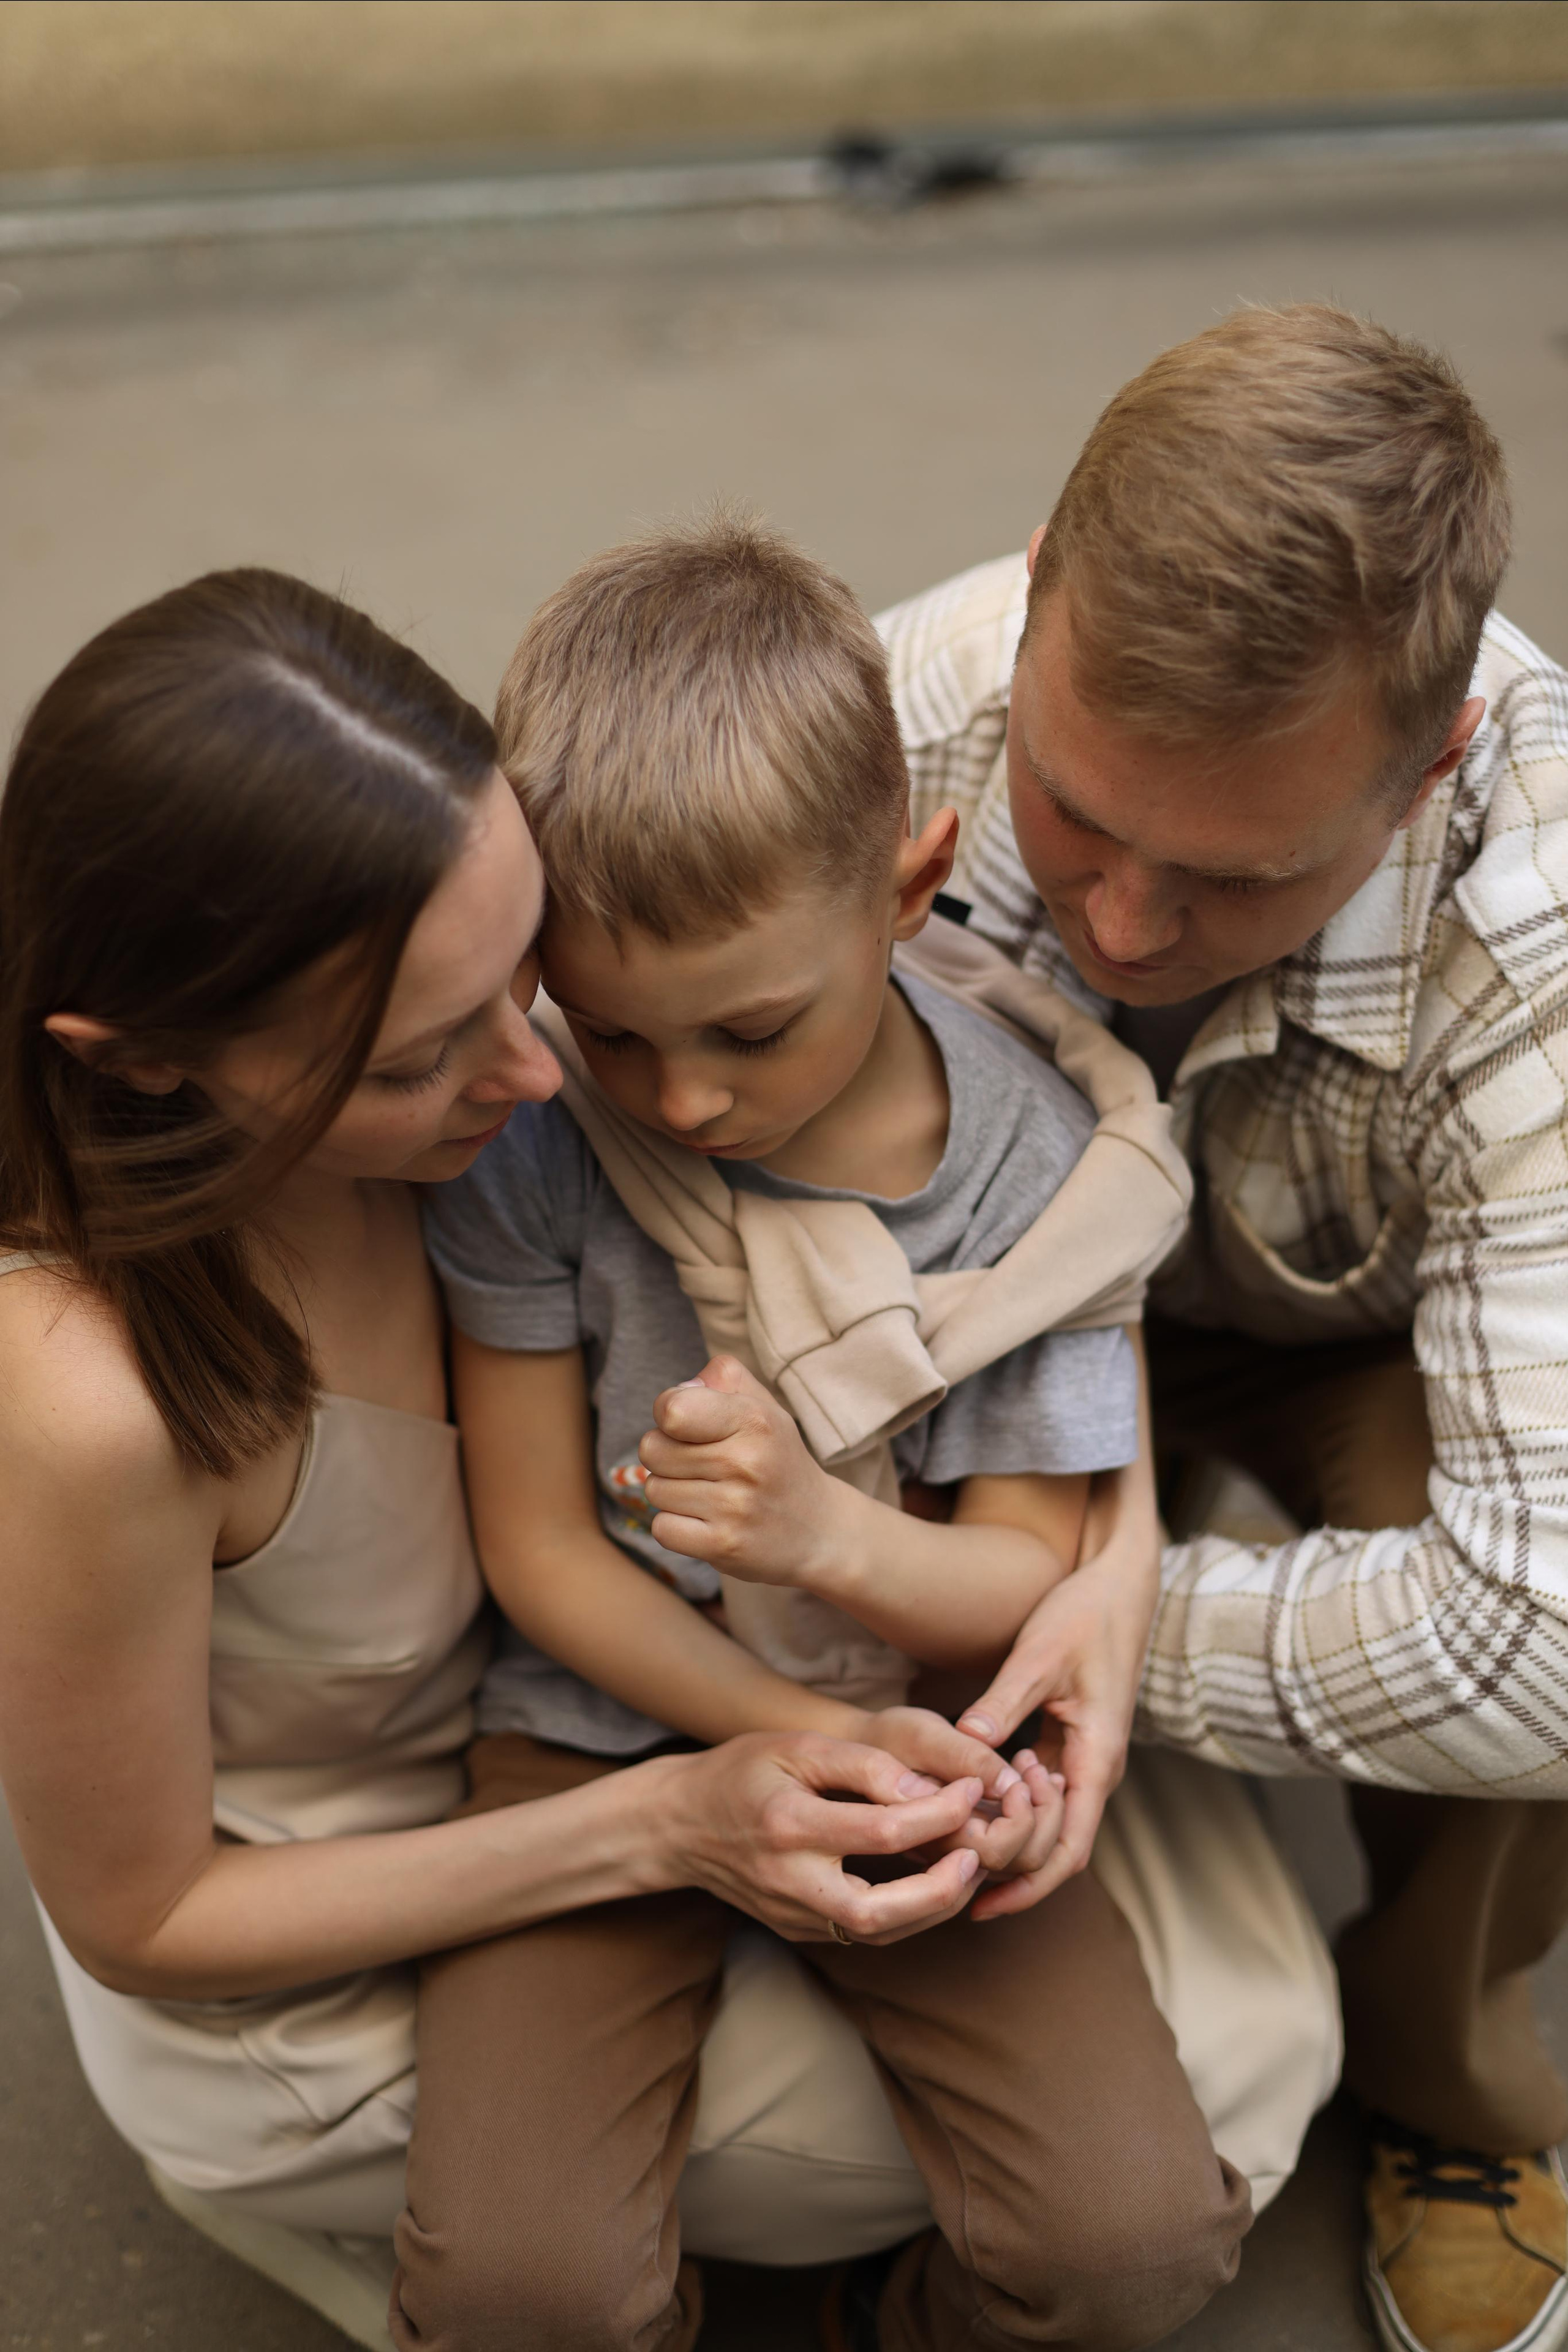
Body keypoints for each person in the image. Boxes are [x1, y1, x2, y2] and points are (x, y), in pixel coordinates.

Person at [0, 567, 1017, 2329]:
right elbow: (143, 1916)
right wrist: (673, 1823)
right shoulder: (84, 1392)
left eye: (522, 969)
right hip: (340, 1923)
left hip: (602, 1730)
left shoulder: (488, 1096)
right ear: (151, 1066)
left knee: (1193, 2065)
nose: (542, 1077)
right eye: (414, 1062)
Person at [409, 516, 1251, 2352]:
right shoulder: (540, 1144)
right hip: (596, 1743)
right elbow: (543, 1548)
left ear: (910, 883)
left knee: (1132, 2245)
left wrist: (819, 1543)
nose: (683, 1097)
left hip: (927, 1733)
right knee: (523, 2290)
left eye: (751, 1027)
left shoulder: (1038, 1175)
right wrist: (785, 1747)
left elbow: (1022, 1585)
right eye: (612, 1030)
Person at [878, 303, 1568, 2352]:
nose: (1121, 926)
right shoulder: (888, 715)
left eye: (1236, 875)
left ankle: (1438, 2071)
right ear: (1036, 597)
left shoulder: (1547, 925)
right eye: (1075, 820)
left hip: (1355, 1323)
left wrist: (1105, 1616)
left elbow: (1535, 1633)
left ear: (1431, 758)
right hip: (970, 1304)